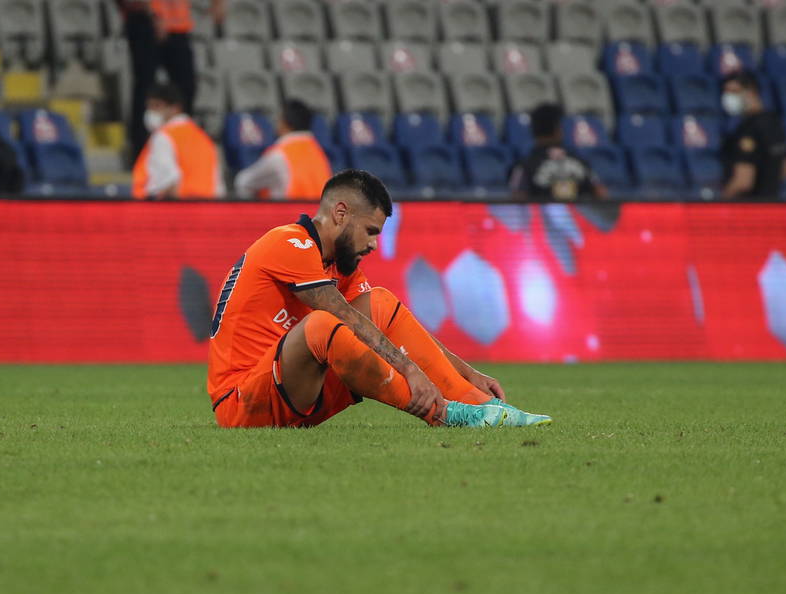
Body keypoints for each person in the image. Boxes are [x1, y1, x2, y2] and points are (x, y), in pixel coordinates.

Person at [207, 169, 551, 430]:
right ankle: (442, 414)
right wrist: (409, 371)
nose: (373, 244)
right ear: (340, 214)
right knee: (326, 323)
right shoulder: (289, 243)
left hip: (295, 390)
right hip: (241, 401)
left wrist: (467, 372)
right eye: (370, 231)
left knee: (380, 303)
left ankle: (482, 406)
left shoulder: (339, 265)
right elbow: (342, 316)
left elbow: (382, 324)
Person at [121, 0, 224, 158]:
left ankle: (182, 142)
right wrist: (155, 15)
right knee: (145, 86)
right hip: (144, 19)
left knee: (186, 86)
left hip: (178, 25)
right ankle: (141, 149)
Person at [132, 82, 223, 199]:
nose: (151, 112)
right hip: (208, 209)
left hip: (175, 210)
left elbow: (169, 183)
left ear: (175, 108)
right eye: (149, 107)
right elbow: (218, 185)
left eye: (157, 106)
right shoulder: (204, 138)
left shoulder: (163, 137)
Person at [233, 99, 333, 200]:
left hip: (289, 213)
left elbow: (243, 182)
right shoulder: (318, 152)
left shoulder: (280, 155)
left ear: (285, 123)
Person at [508, 103, 607, 202]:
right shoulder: (580, 160)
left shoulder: (524, 165)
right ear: (558, 129)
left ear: (533, 131)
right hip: (580, 215)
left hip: (543, 216)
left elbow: (518, 200)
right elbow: (601, 193)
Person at [719, 71, 786, 200]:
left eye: (734, 92)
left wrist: (720, 203)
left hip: (751, 209)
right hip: (773, 204)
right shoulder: (774, 122)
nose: (728, 97)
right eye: (726, 93)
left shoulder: (748, 129)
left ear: (750, 91)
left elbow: (743, 181)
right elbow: (785, 170)